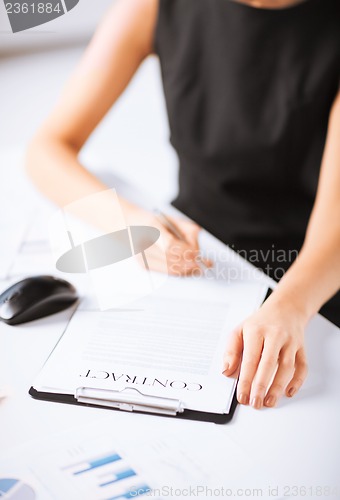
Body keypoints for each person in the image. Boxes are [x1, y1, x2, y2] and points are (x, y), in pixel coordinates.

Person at [26, 0, 340, 410]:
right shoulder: (154, 5)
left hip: (310, 278)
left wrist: (290, 307)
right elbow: (47, 148)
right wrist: (132, 225)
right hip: (194, 258)